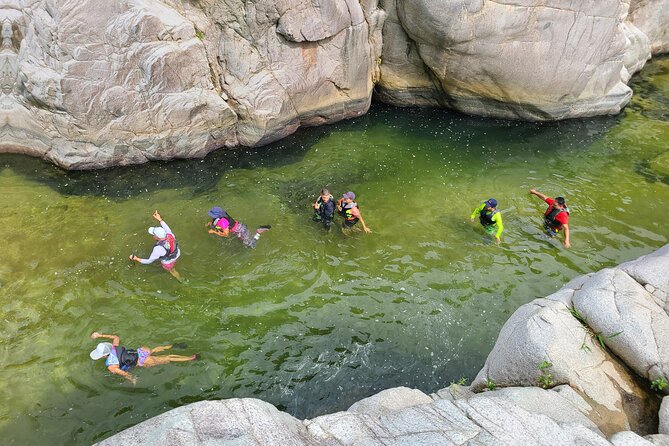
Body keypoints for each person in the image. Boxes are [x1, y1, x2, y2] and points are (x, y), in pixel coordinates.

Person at [89, 332, 196, 384]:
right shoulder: (114, 347)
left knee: (168, 358)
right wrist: (99, 335)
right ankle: (171, 346)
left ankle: (190, 358)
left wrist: (133, 380)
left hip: (143, 361)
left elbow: (125, 373)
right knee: (153, 351)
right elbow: (116, 337)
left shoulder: (111, 366)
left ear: (103, 355)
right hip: (142, 351)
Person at [130, 210, 182, 280]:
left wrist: (136, 258)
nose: (152, 235)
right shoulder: (170, 235)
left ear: (156, 237)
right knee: (173, 258)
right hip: (177, 253)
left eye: (153, 234)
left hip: (168, 261)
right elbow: (166, 227)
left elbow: (149, 261)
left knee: (172, 270)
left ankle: (180, 279)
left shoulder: (158, 249)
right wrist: (159, 219)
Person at [206, 206, 271, 248]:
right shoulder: (222, 214)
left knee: (251, 245)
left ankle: (258, 232)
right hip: (239, 227)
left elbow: (226, 234)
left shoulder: (223, 222)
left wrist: (214, 231)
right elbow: (216, 221)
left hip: (240, 231)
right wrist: (210, 223)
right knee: (244, 241)